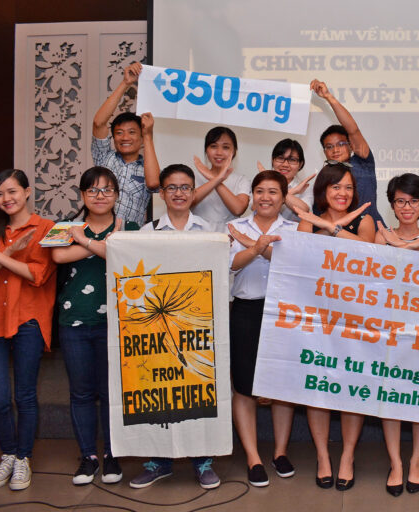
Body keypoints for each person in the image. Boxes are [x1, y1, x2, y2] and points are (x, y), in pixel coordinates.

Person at [129, 164, 219, 489]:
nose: (179, 193)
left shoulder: (210, 231)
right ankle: (158, 462)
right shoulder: (146, 233)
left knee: (197, 395)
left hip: (196, 330)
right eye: (172, 187)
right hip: (157, 331)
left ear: (194, 193)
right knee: (159, 394)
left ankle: (202, 460)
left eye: (185, 187)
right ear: (162, 193)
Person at [51, 167, 140, 485]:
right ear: (83, 195)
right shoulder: (67, 226)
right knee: (81, 393)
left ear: (117, 195)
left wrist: (86, 242)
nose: (100, 196)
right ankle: (88, 457)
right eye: (93, 190)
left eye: (107, 190)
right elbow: (59, 257)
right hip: (74, 320)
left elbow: (127, 259)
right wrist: (104, 245)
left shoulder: (129, 227)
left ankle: (112, 456)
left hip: (116, 323)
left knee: (110, 391)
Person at [296, 162, 374, 491]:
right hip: (316, 315)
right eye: (335, 187)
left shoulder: (364, 220)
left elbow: (367, 253)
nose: (343, 193)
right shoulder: (308, 219)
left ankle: (348, 455)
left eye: (348, 188)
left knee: (350, 384)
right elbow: (299, 256)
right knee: (319, 385)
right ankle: (323, 455)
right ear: (323, 190)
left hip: (355, 315)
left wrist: (336, 227)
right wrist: (315, 222)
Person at [226, 171, 299, 487]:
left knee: (282, 386)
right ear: (252, 195)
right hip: (245, 309)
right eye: (259, 191)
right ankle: (253, 457)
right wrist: (254, 247)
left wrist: (255, 247)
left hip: (284, 312)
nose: (265, 197)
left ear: (284, 197)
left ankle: (280, 452)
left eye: (273, 191)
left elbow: (294, 267)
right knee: (243, 387)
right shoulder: (234, 227)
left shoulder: (296, 229)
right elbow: (231, 264)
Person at [373, 173, 419, 496]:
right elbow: (378, 279)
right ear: (392, 204)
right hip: (389, 328)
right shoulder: (380, 235)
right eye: (401, 200)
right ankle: (396, 462)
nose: (407, 207)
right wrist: (415, 247)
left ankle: (415, 461)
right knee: (391, 396)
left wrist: (418, 246)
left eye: (413, 201)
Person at [0, 170, 56, 491]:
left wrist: (0, 254)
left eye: (12, 191)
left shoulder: (46, 229)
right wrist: (7, 252)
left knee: (25, 395)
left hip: (29, 320)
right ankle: (8, 455)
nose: (6, 199)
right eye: (0, 194)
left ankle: (23, 458)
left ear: (27, 192)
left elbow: (37, 274)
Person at [91, 62, 159, 224]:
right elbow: (99, 123)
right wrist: (125, 83)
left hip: (129, 237)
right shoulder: (104, 158)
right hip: (98, 231)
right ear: (113, 137)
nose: (125, 137)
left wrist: (148, 134)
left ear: (141, 138)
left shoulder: (147, 166)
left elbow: (154, 183)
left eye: (132, 132)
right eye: (119, 133)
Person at [310, 79, 383, 225]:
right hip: (340, 239)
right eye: (329, 147)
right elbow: (320, 215)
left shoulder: (363, 162)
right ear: (324, 152)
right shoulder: (324, 178)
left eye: (341, 144)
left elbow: (353, 129)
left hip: (373, 236)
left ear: (350, 146)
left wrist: (329, 97)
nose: (335, 150)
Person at [157, 126, 251, 232]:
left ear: (234, 151)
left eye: (225, 147)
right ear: (206, 150)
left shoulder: (241, 180)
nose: (219, 152)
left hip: (230, 238)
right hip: (196, 235)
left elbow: (238, 209)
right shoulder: (192, 178)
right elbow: (186, 201)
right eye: (213, 146)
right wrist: (217, 179)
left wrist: (214, 179)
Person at [257, 139, 316, 222]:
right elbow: (255, 207)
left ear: (300, 164)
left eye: (292, 160)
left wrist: (286, 192)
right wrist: (294, 191)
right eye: (280, 158)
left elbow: (304, 211)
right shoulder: (261, 182)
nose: (285, 164)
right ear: (272, 160)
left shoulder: (306, 187)